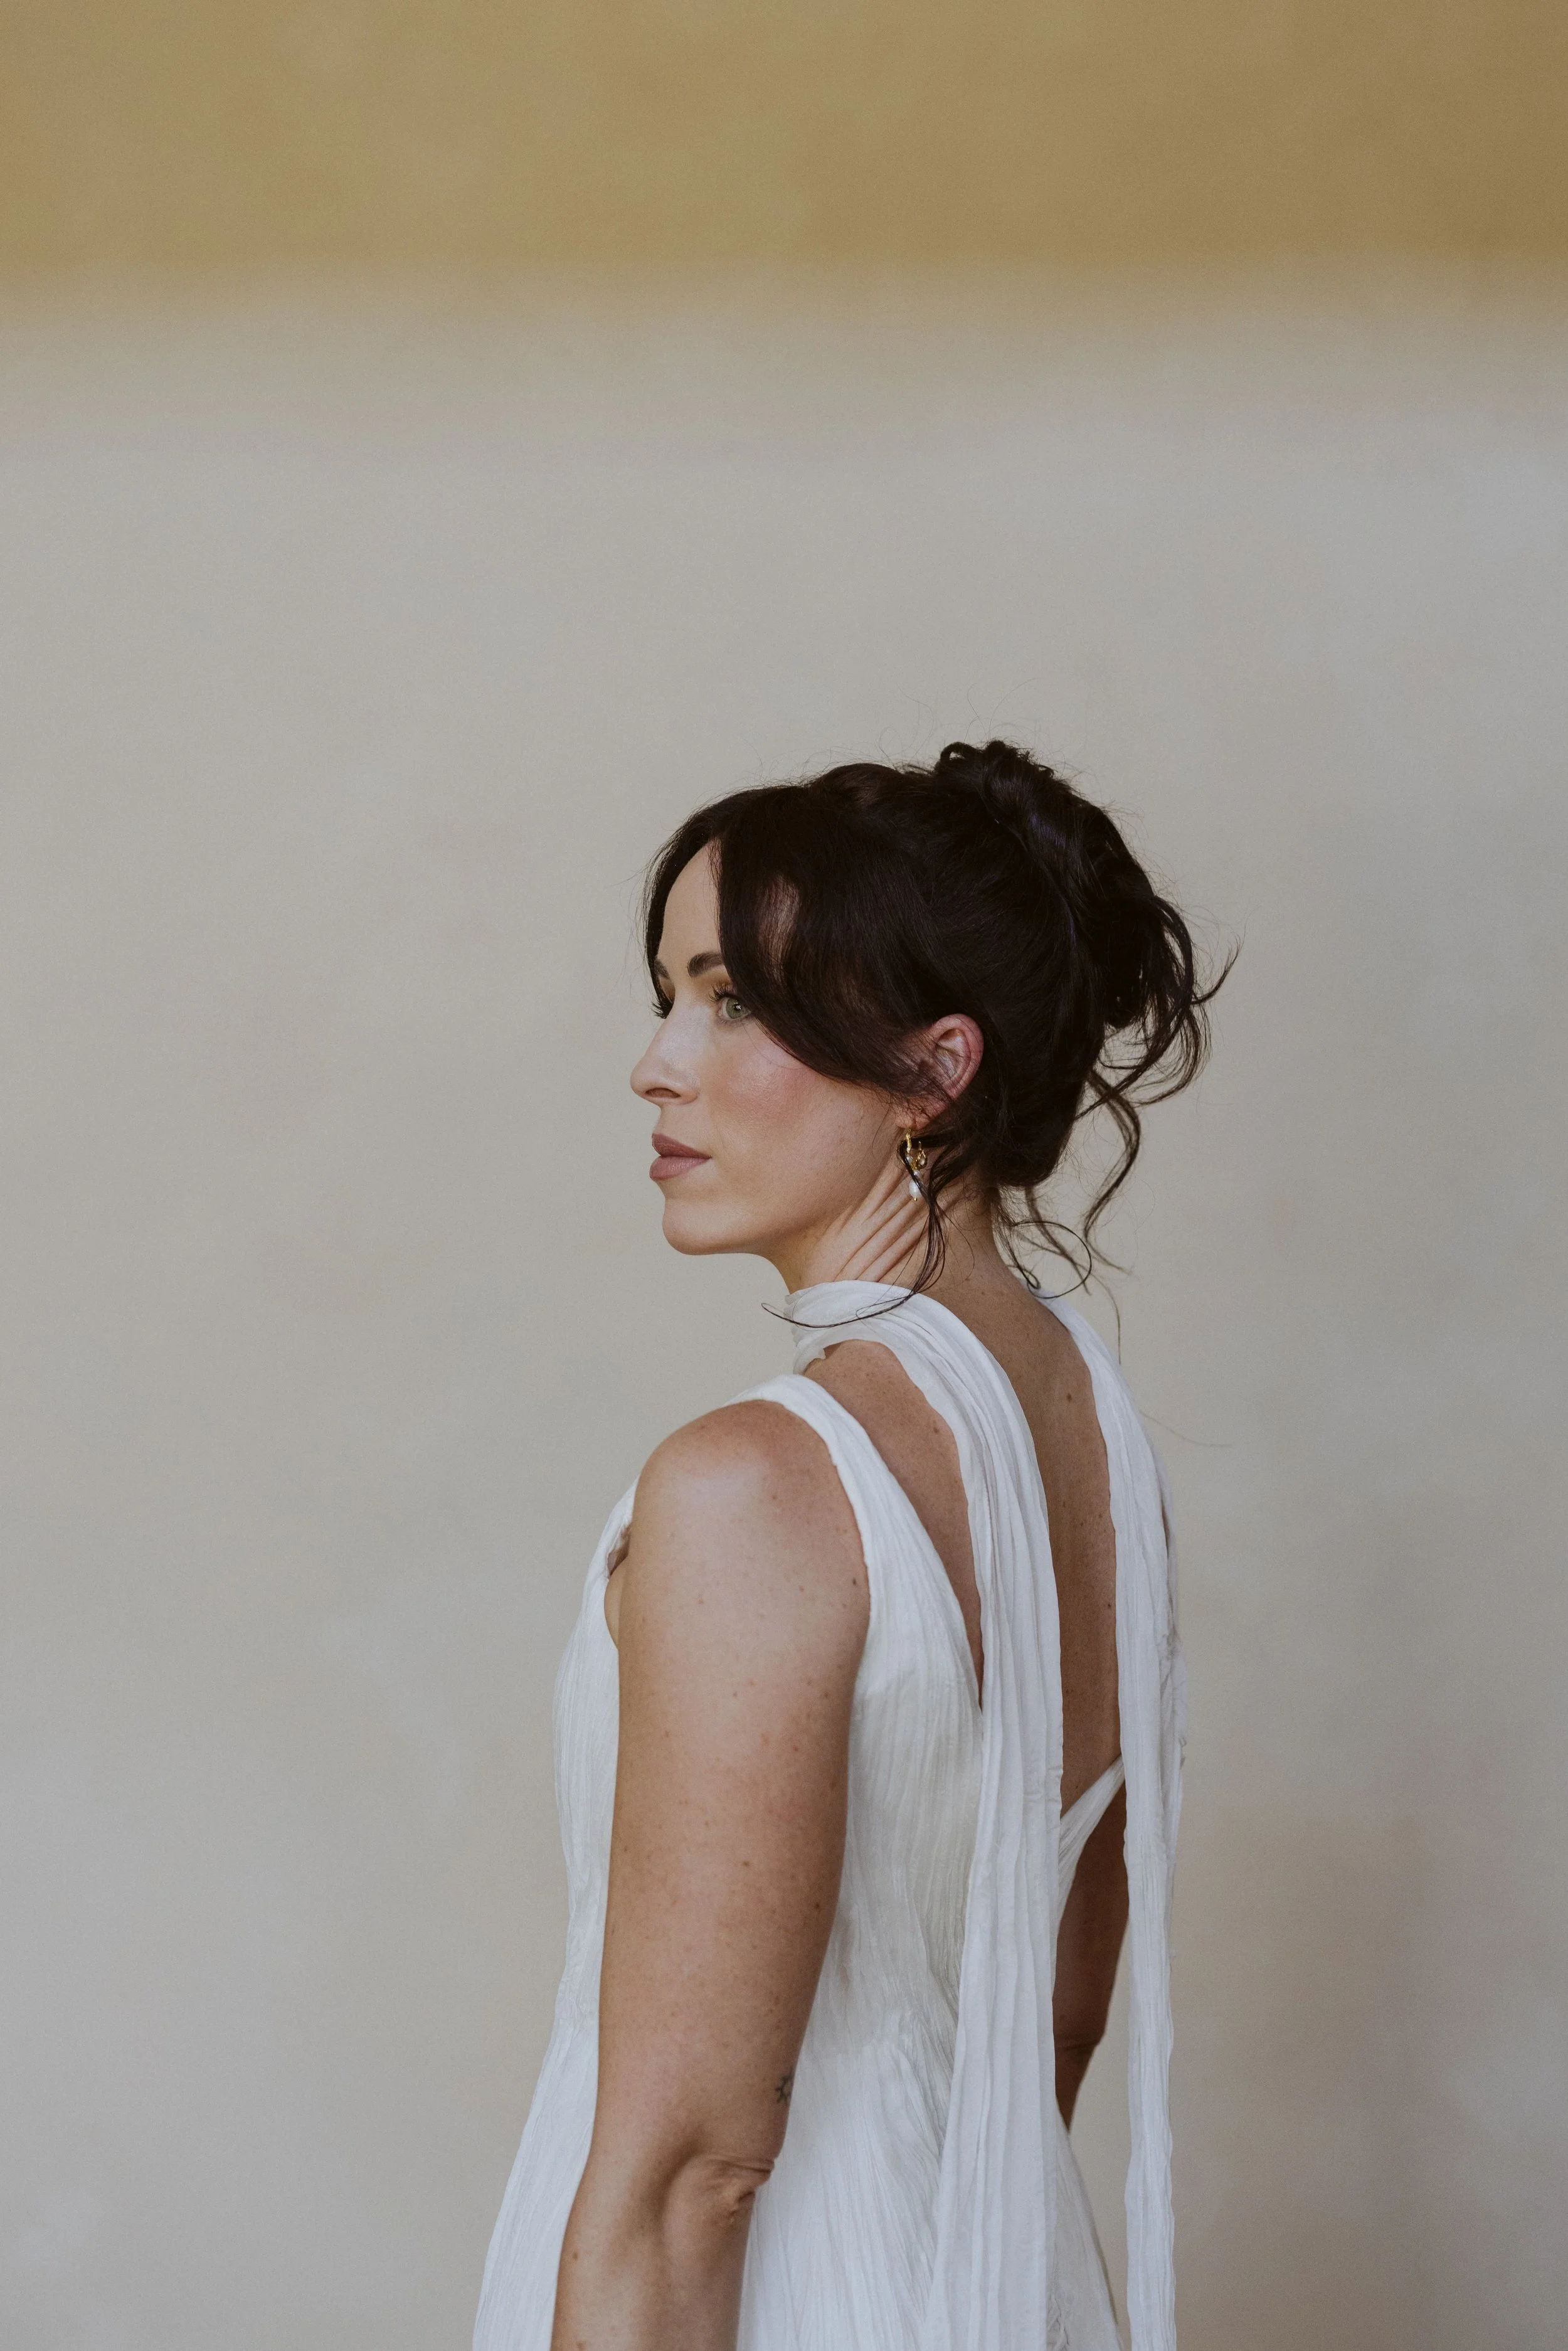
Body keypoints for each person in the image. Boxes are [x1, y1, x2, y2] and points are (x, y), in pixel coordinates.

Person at [474, 740, 1224, 2351]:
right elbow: (1056, 2024)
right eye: (669, 992)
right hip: (999, 2289)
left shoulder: (752, 1489)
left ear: (934, 1067)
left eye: (733, 998)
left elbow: (691, 2172)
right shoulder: (1099, 1460)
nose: (656, 1063)